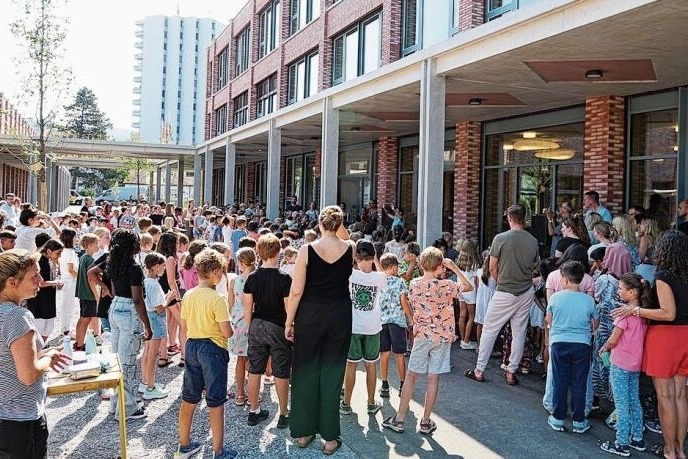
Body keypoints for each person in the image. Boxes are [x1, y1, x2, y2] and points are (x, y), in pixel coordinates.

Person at [612, 230, 688, 459]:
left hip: (666, 337)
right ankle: (680, 449)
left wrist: (634, 309)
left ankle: (669, 449)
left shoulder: (664, 276)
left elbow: (668, 312)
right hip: (685, 336)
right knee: (680, 396)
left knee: (665, 396)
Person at [285, 205, 353, 454]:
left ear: (320, 224)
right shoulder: (350, 248)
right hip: (340, 313)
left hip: (311, 314)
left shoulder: (306, 249)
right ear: (339, 223)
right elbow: (344, 236)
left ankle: (303, 432)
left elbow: (296, 291)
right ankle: (331, 438)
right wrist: (336, 223)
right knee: (333, 374)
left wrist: (288, 320)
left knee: (305, 370)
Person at [382, 247, 471, 435]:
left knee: (412, 376)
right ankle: (425, 421)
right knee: (433, 378)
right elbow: (468, 286)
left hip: (422, 335)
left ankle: (399, 419)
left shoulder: (414, 284)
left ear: (421, 265)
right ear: (440, 266)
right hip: (442, 336)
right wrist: (454, 268)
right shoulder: (447, 285)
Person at [0, 249, 71, 458]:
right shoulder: (16, 316)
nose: (41, 280)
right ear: (12, 282)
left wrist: (39, 353)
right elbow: (28, 374)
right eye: (35, 276)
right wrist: (49, 358)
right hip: (20, 421)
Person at [465, 204, 539, 385]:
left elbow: (491, 266)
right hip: (526, 290)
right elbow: (535, 266)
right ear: (524, 218)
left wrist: (500, 282)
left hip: (505, 290)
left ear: (509, 218)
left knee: (490, 329)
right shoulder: (533, 241)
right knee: (519, 332)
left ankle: (479, 369)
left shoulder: (500, 238)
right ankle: (511, 371)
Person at [177, 248, 236, 459]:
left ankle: (184, 445)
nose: (221, 275)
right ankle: (218, 450)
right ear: (213, 271)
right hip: (213, 348)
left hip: (192, 346)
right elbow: (226, 331)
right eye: (220, 271)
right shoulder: (217, 298)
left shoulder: (189, 295)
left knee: (189, 397)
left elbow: (183, 326)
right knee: (216, 400)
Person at [243, 233, 293, 428]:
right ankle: (283, 413)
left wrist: (249, 330)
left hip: (256, 324)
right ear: (278, 252)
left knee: (255, 369)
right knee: (281, 371)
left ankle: (254, 410)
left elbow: (248, 308)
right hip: (278, 326)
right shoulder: (284, 278)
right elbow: (288, 308)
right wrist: (291, 327)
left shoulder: (252, 277)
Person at [598, 273, 649, 456]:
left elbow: (613, 339)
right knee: (634, 401)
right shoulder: (643, 314)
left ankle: (621, 443)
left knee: (621, 404)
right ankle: (637, 438)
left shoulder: (623, 314)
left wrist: (604, 347)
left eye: (620, 288)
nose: (618, 291)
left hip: (620, 363)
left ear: (632, 292)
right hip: (635, 364)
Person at [545, 261, 599, 433]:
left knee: (559, 381)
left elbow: (548, 319)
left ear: (566, 280)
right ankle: (579, 420)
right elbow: (595, 323)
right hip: (582, 345)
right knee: (579, 382)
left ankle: (558, 418)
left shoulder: (555, 297)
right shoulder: (589, 301)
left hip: (559, 342)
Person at [107, 229, 152, 421]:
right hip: (128, 311)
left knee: (117, 360)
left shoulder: (114, 263)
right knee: (128, 362)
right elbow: (137, 299)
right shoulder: (134, 267)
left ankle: (116, 404)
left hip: (115, 306)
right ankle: (128, 408)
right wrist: (147, 325)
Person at [339, 240, 387, 417]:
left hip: (353, 326)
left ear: (357, 258)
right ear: (374, 256)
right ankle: (371, 402)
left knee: (350, 365)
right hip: (372, 327)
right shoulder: (379, 277)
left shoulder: (350, 275)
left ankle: (346, 403)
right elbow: (384, 277)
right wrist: (376, 261)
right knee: (371, 366)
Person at [378, 253, 412, 399]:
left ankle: (384, 384)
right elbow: (404, 301)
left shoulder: (378, 281)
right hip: (397, 321)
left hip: (382, 321)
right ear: (393, 267)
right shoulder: (400, 282)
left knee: (384, 354)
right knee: (399, 354)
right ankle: (402, 384)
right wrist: (411, 318)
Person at [140, 252, 174, 399]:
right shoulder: (153, 284)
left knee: (147, 352)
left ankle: (146, 381)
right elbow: (159, 307)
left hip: (148, 317)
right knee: (153, 354)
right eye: (162, 265)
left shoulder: (145, 282)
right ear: (155, 266)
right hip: (156, 319)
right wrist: (169, 299)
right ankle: (150, 387)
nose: (164, 268)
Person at [228, 247, 256, 406]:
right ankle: (253, 394)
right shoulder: (257, 278)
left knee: (240, 359)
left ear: (241, 262)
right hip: (254, 319)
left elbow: (230, 303)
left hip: (238, 321)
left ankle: (240, 394)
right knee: (254, 359)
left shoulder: (234, 280)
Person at [26, 239, 64, 342]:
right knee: (40, 327)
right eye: (58, 253)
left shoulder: (49, 261)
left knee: (49, 327)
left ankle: (40, 348)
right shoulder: (38, 262)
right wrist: (55, 283)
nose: (59, 256)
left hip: (48, 299)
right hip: (38, 300)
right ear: (48, 251)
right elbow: (38, 282)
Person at [74, 234, 99, 351]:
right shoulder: (89, 259)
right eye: (96, 244)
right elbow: (91, 279)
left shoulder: (84, 257)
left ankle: (78, 342)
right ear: (90, 245)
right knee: (86, 319)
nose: (98, 246)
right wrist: (96, 296)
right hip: (88, 294)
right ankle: (79, 344)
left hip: (83, 293)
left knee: (83, 318)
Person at [456, 239, 481, 350]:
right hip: (471, 291)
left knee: (462, 315)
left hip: (461, 290)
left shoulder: (458, 261)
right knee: (471, 317)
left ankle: (462, 339)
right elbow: (476, 281)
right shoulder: (474, 262)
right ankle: (466, 341)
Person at [636, 217, 660, 285]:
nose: (640, 225)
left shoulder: (645, 238)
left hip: (646, 268)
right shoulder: (657, 237)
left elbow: (640, 257)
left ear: (647, 226)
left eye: (642, 224)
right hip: (655, 268)